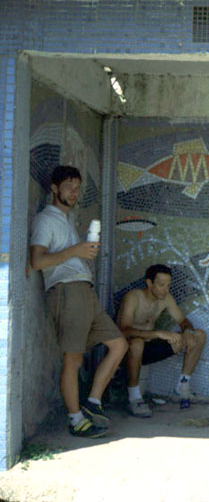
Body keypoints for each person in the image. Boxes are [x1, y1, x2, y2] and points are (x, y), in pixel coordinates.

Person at [29, 165, 128, 438]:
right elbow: (37, 261)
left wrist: (81, 254)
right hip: (67, 292)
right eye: (69, 187)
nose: (75, 193)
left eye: (78, 188)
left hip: (84, 292)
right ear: (54, 188)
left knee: (118, 344)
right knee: (72, 359)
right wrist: (77, 250)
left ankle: (93, 403)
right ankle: (76, 420)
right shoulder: (46, 220)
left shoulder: (66, 220)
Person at [117, 264, 209, 417]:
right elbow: (123, 330)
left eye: (168, 285)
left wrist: (186, 331)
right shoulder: (133, 297)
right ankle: (134, 397)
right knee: (137, 343)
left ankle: (183, 387)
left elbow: (184, 321)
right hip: (128, 351)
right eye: (161, 285)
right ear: (149, 283)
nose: (165, 290)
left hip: (150, 348)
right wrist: (158, 333)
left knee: (198, 335)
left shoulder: (165, 298)